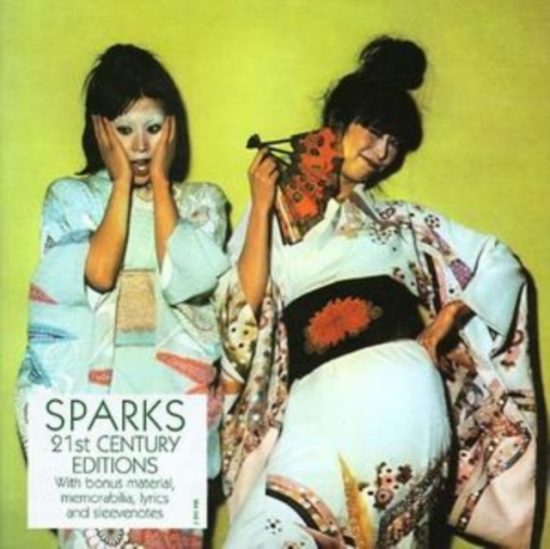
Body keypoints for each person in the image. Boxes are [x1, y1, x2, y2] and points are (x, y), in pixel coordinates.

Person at [215, 37, 536, 548]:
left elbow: (500, 262)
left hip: (408, 400)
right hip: (319, 402)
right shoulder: (276, 207)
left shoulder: (399, 221)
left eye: (395, 142)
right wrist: (261, 201)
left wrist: (448, 317)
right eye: (373, 132)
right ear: (337, 122)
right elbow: (241, 312)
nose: (382, 152)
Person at [16, 44, 229, 548]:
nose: (140, 145)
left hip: (170, 415)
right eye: (124, 128)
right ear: (100, 130)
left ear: (172, 128)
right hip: (90, 418)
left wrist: (161, 184)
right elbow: (97, 273)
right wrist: (119, 187)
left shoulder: (201, 202)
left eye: (153, 128)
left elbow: (188, 281)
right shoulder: (72, 198)